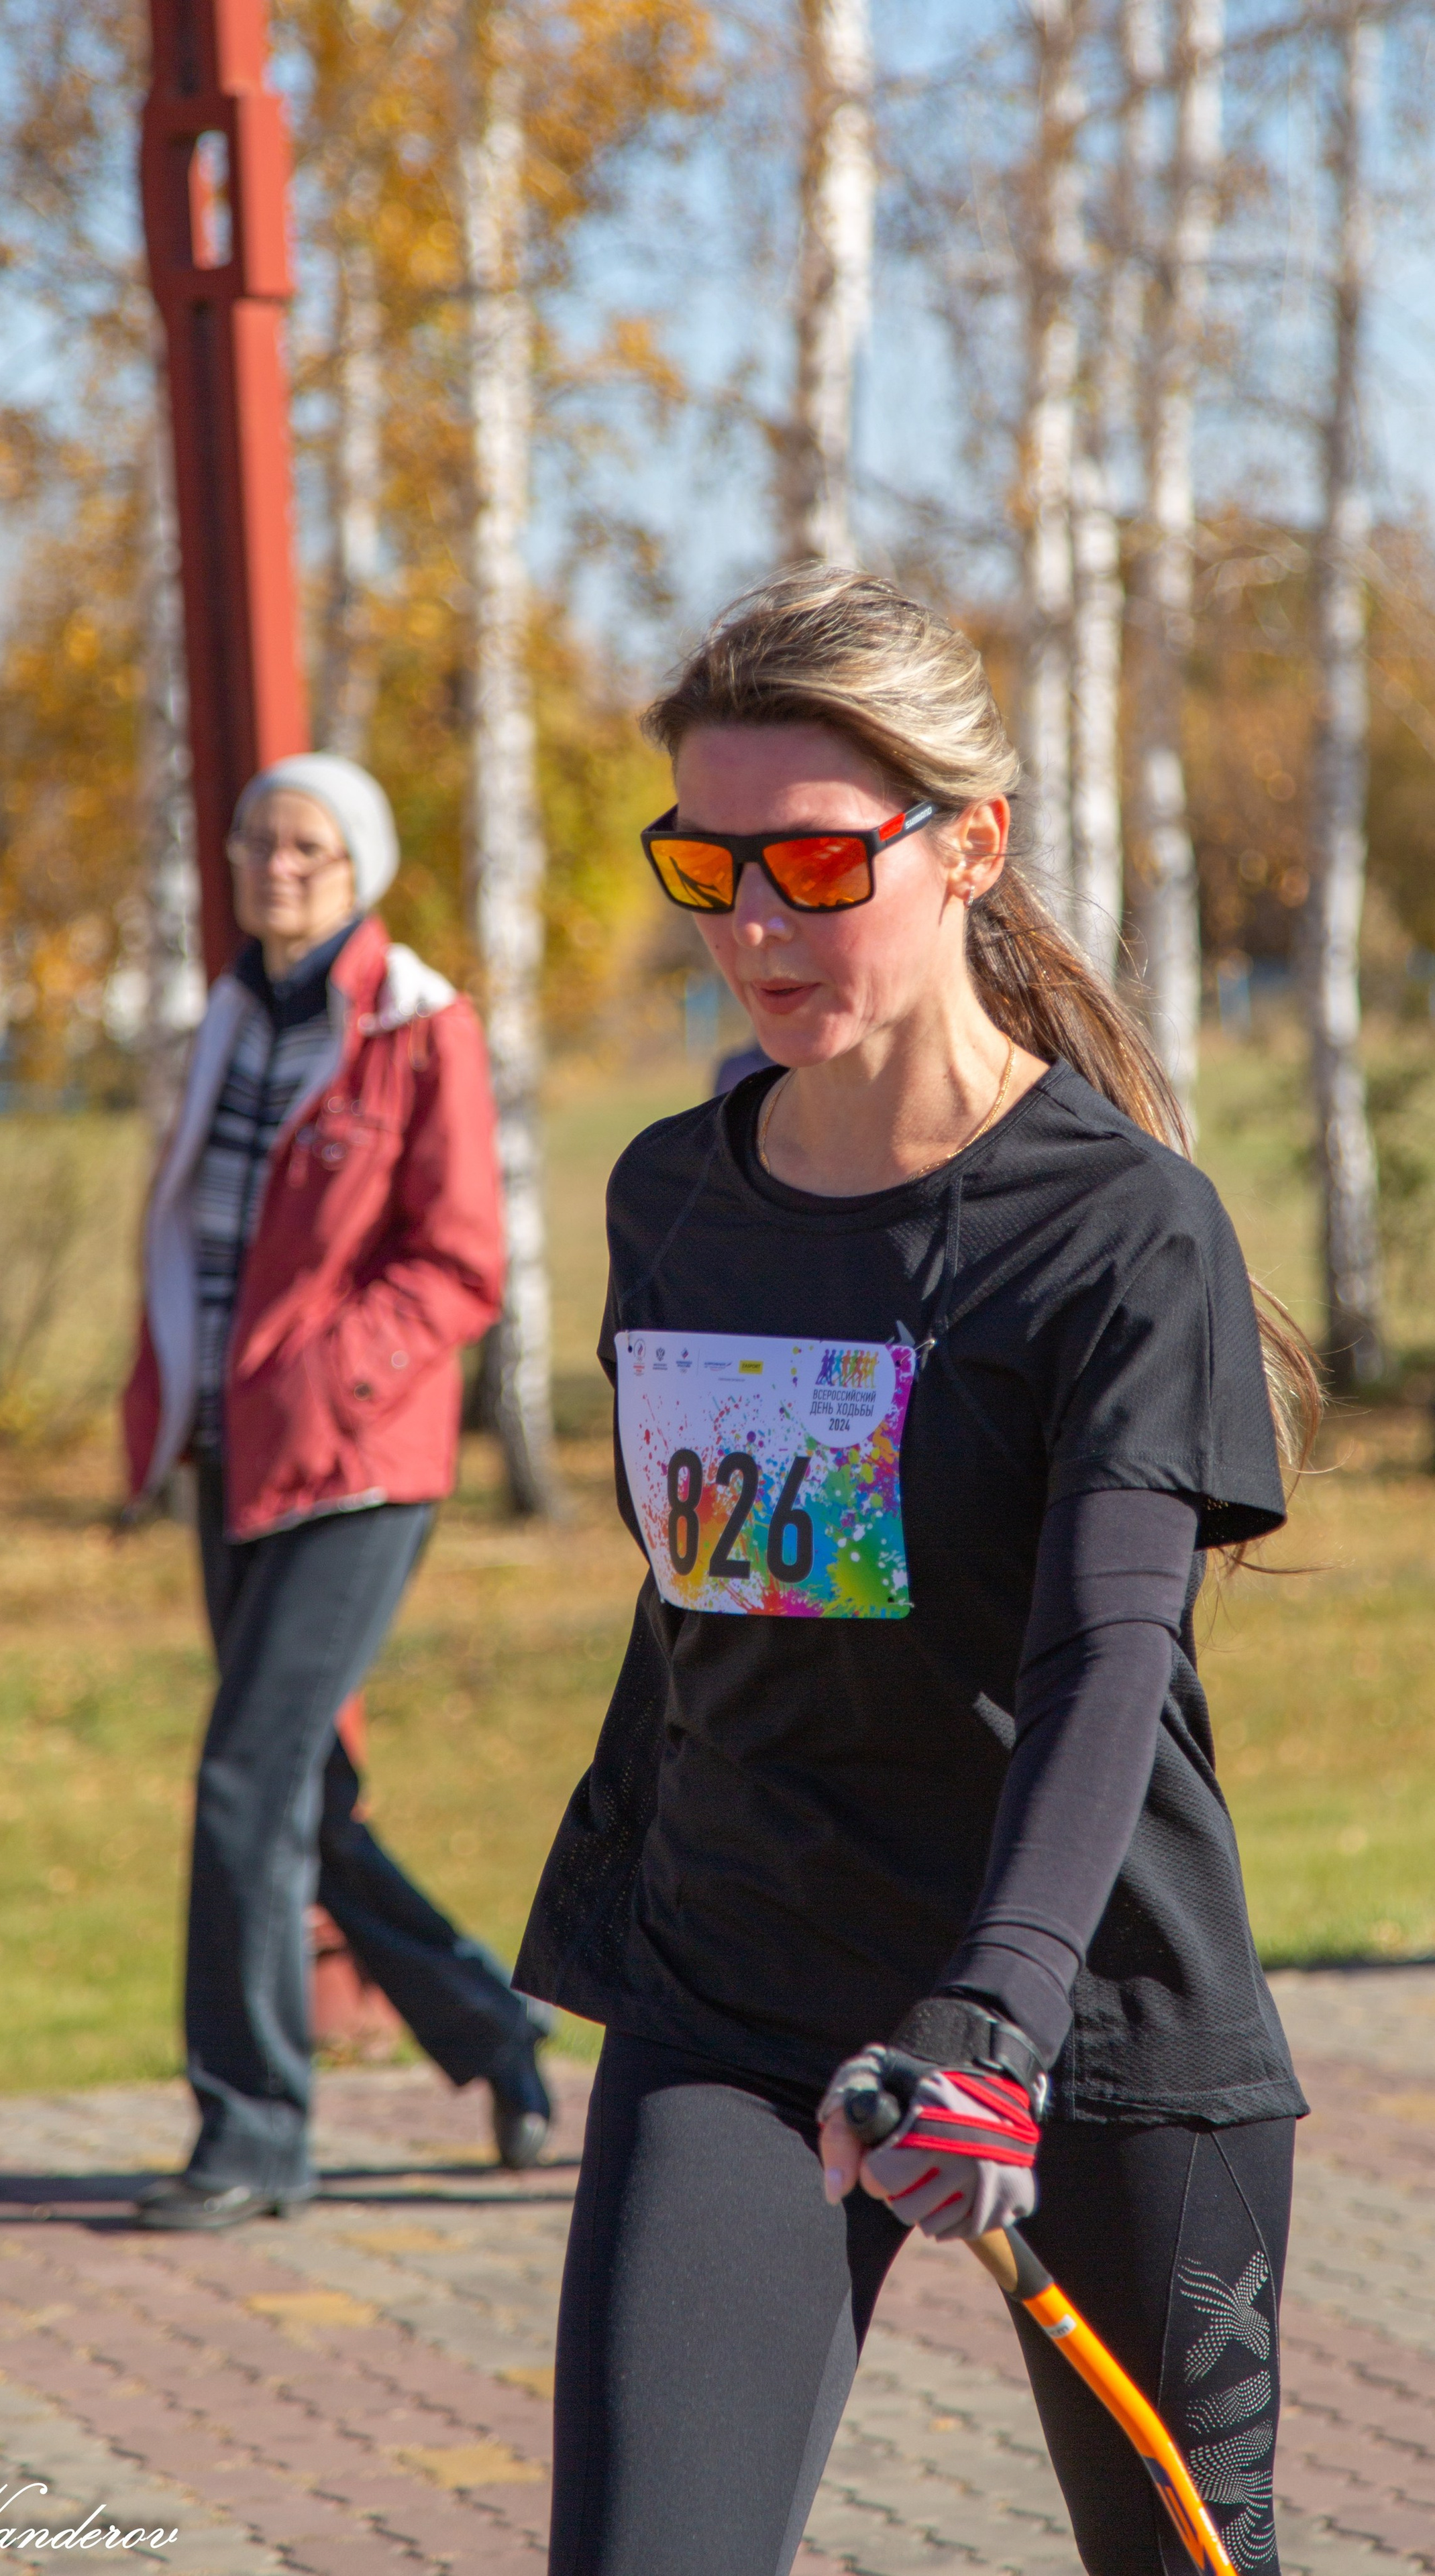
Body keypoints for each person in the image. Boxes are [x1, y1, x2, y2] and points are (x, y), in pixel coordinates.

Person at [514, 569, 1318, 2576]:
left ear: (968, 846)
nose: (751, 924)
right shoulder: (669, 1200)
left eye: (812, 861)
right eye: (706, 863)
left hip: (1084, 2005)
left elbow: (1107, 1654)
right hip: (734, 1993)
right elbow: (702, 1611)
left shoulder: (1121, 1231)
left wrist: (995, 2014)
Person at [123, 752, 553, 2231]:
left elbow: (460, 1261)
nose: (277, 865)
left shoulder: (420, 1027)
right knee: (297, 1790)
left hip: (357, 1467)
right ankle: (492, 2027)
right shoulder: (228, 1018)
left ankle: (252, 2130)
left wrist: (333, 1375)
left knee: (245, 1782)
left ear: (358, 867)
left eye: (308, 845)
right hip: (228, 1455)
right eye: (257, 841)